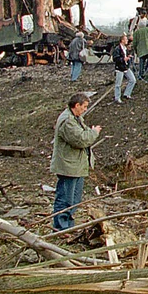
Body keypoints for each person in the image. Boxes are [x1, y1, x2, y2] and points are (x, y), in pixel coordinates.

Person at [50, 92, 102, 231]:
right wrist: (94, 133)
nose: (85, 110)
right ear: (77, 105)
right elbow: (81, 140)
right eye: (84, 106)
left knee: (74, 199)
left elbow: (83, 134)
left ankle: (69, 226)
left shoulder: (76, 118)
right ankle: (60, 228)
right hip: (68, 166)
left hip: (76, 166)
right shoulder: (68, 121)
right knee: (65, 198)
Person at [112, 35, 136, 103]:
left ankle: (127, 94)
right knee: (118, 84)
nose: (127, 40)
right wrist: (123, 59)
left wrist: (128, 56)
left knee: (133, 80)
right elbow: (115, 59)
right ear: (122, 40)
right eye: (126, 39)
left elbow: (125, 55)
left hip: (125, 67)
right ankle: (117, 98)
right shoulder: (117, 49)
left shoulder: (125, 48)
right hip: (119, 68)